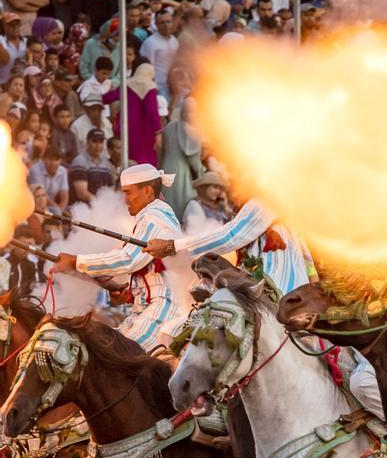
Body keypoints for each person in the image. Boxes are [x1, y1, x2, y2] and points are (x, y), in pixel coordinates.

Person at [54, 164, 187, 351]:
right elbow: (145, 267)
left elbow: (128, 260)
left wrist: (76, 261)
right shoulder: (153, 215)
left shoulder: (153, 217)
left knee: (119, 356)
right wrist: (127, 291)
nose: (125, 200)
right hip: (145, 309)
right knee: (103, 351)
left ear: (148, 191)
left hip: (164, 308)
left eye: (129, 193)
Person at [145, 190, 315, 295]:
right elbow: (308, 262)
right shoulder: (276, 205)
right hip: (287, 297)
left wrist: (172, 245)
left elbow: (230, 237)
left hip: (275, 296)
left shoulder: (262, 203)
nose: (233, 191)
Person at [102, 63, 162, 167]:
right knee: (144, 163)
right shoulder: (149, 87)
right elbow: (152, 112)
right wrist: (158, 132)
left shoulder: (127, 84)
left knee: (127, 157)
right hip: (144, 131)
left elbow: (108, 98)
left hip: (125, 127)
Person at [67, 127, 115, 203]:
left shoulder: (106, 163)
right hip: (81, 207)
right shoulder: (80, 161)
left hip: (99, 206)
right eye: (95, 141)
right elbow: (82, 194)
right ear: (87, 142)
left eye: (101, 142)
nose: (98, 145)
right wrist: (100, 204)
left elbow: (111, 188)